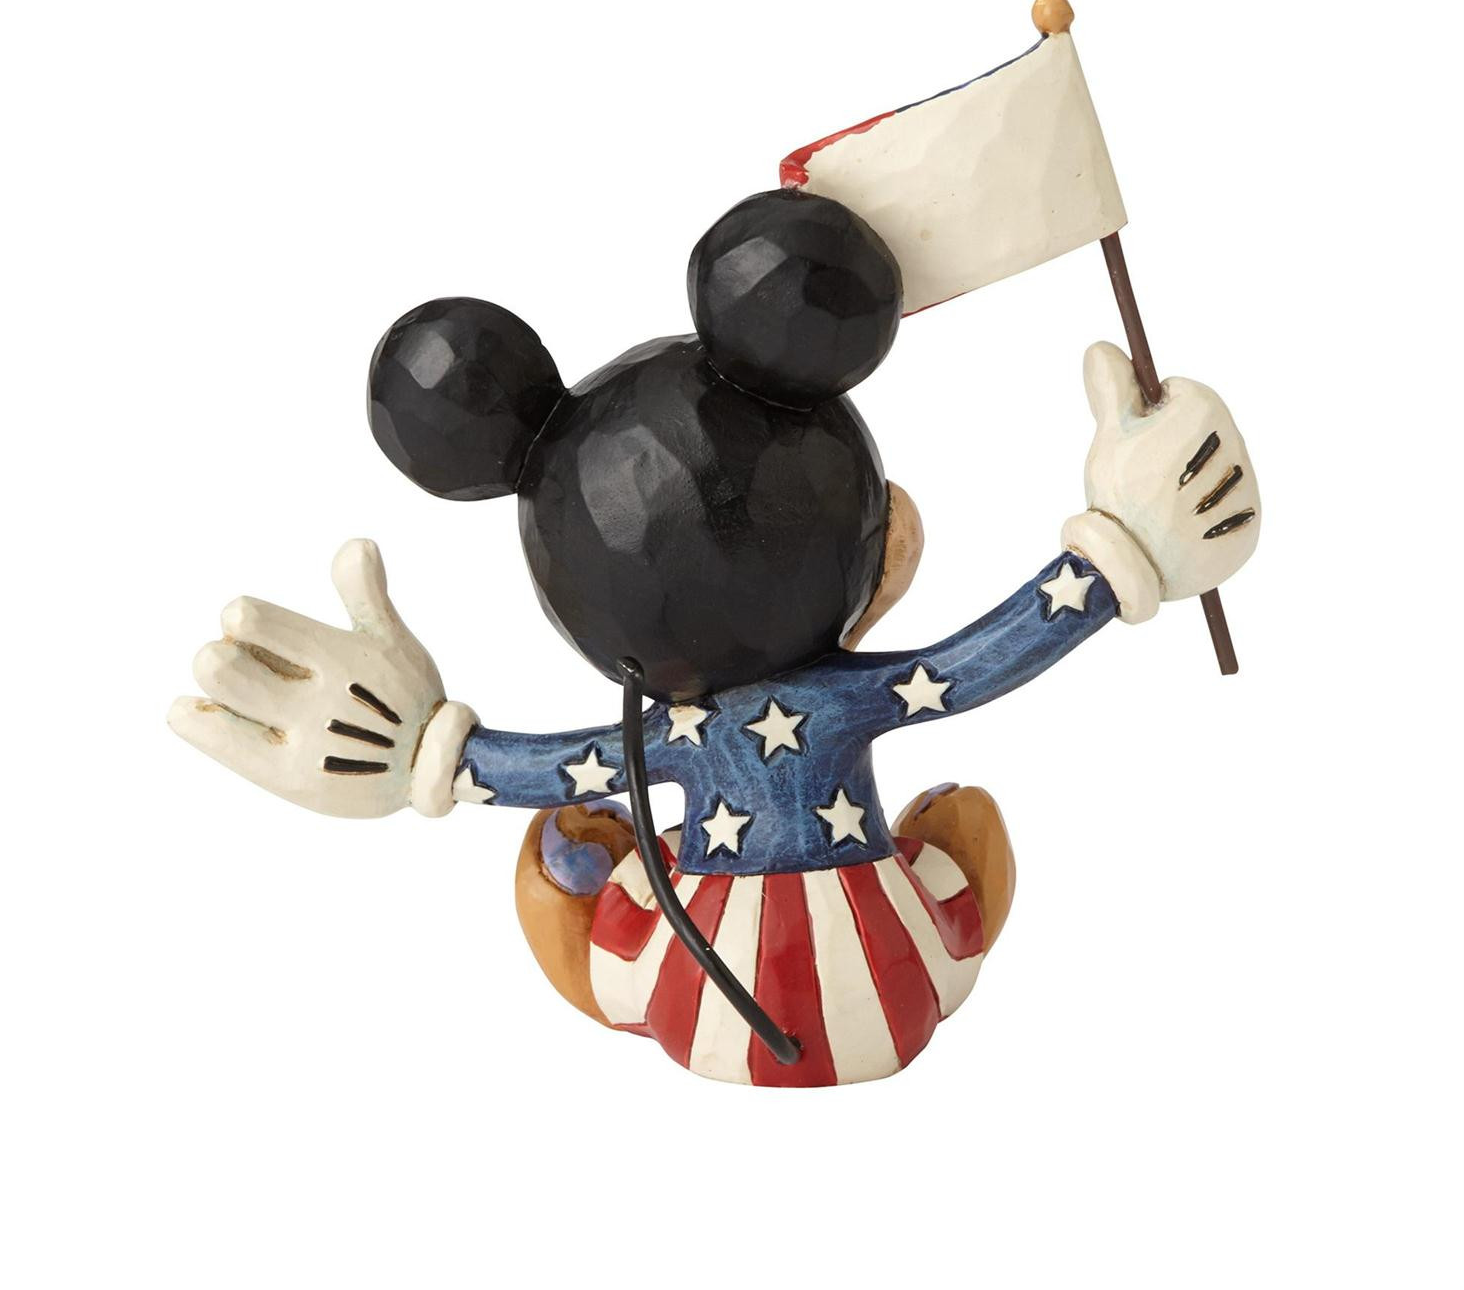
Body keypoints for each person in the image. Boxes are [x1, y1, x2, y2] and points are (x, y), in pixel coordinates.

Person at [169, 190, 1259, 1087]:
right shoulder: (841, 703)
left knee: (576, 861)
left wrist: (421, 753)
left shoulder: (672, 733)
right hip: (904, 975)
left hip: (691, 1002)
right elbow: (976, 665)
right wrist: (1130, 547)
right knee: (959, 833)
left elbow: (546, 771)